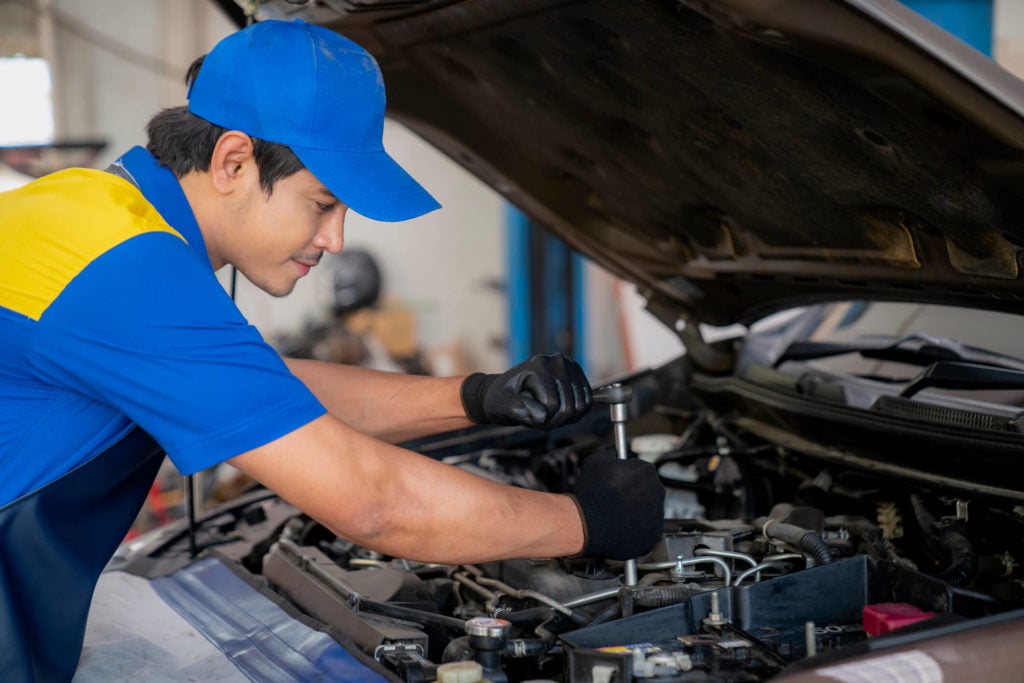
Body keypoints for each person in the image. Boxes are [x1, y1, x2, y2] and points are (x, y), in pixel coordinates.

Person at [0, 19, 665, 682]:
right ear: (233, 161)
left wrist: (475, 396)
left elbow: (266, 392)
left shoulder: (92, 211)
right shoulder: (128, 276)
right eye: (321, 204)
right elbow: (372, 503)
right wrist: (587, 520)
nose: (336, 239)